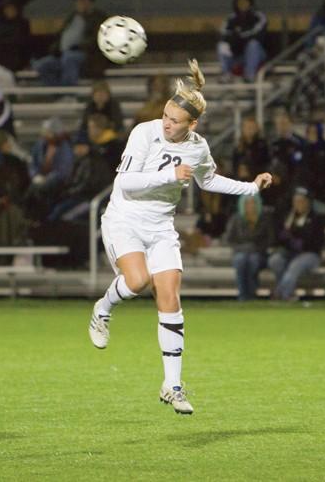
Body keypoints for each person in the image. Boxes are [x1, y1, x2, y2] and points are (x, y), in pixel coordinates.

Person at [86, 60, 273, 414]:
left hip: (160, 226)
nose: (167, 122)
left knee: (169, 296)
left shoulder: (198, 147)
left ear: (193, 124)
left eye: (175, 120)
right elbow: (124, 182)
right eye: (166, 115)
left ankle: (172, 385)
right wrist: (169, 176)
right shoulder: (145, 132)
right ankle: (103, 308)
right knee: (137, 281)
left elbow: (208, 180)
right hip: (125, 218)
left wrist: (250, 188)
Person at [34, 0, 107, 86]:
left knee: (69, 59)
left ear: (90, 2)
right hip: (64, 55)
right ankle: (59, 94)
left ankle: (69, 93)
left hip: (89, 57)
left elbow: (97, 39)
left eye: (84, 1)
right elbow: (60, 36)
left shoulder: (98, 18)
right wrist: (56, 49)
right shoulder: (72, 18)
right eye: (79, 1)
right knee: (42, 65)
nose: (81, 4)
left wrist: (79, 47)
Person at [268, 187, 325, 301]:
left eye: (301, 201)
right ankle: (287, 292)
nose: (298, 204)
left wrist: (296, 239)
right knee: (275, 261)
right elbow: (279, 238)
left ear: (308, 203)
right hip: (289, 252)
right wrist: (287, 239)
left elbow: (316, 242)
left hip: (310, 254)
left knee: (295, 265)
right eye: (296, 201)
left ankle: (282, 294)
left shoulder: (317, 219)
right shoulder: (287, 217)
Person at [224, 194, 274, 301]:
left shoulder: (265, 219)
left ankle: (252, 294)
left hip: (259, 253)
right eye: (248, 203)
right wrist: (244, 248)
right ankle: (243, 294)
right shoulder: (236, 219)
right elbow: (229, 239)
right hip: (240, 252)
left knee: (253, 260)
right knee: (240, 260)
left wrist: (254, 248)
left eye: (253, 203)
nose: (250, 206)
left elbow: (270, 240)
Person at [25, 118, 74, 220]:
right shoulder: (40, 144)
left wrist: (46, 180)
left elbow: (63, 171)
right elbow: (33, 162)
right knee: (32, 191)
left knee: (38, 191)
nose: (44, 134)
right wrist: (35, 176)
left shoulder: (65, 148)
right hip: (40, 179)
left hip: (58, 182)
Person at [217, 0, 267, 83]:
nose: (242, 4)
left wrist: (238, 36)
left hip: (257, 55)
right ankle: (226, 74)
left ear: (250, 2)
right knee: (222, 46)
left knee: (253, 44)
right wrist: (235, 38)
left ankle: (250, 75)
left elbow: (257, 34)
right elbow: (223, 34)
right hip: (238, 55)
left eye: (245, 1)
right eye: (240, 2)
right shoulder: (231, 19)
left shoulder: (258, 16)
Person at [231, 115, 270, 181]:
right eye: (247, 127)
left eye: (252, 127)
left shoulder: (263, 146)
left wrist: (250, 170)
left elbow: (267, 165)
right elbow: (234, 166)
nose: (249, 130)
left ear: (257, 129)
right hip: (242, 183)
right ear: (243, 129)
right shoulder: (238, 148)